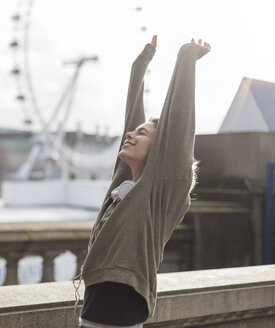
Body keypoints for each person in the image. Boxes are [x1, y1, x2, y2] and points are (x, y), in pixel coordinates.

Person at [78, 36, 210, 327]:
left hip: (122, 305)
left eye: (142, 134)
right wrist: (140, 65)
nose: (130, 135)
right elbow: (130, 120)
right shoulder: (122, 189)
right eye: (133, 132)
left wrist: (185, 60)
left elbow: (179, 127)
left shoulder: (160, 193)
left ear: (161, 149)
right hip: (94, 304)